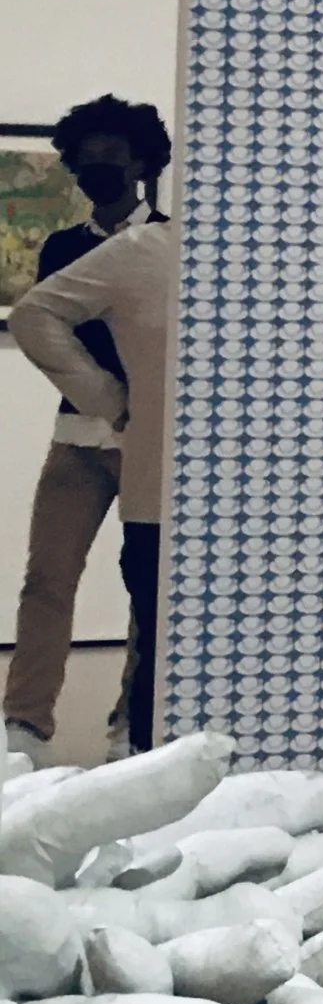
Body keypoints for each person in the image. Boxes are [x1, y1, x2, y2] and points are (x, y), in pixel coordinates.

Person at [2, 96, 169, 760]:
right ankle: (24, 724)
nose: (101, 167)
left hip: (148, 443)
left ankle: (129, 723)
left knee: (144, 584)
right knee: (47, 577)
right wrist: (103, 396)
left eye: (114, 155)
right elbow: (48, 331)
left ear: (140, 162)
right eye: (89, 157)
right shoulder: (63, 245)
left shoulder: (165, 239)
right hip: (78, 435)